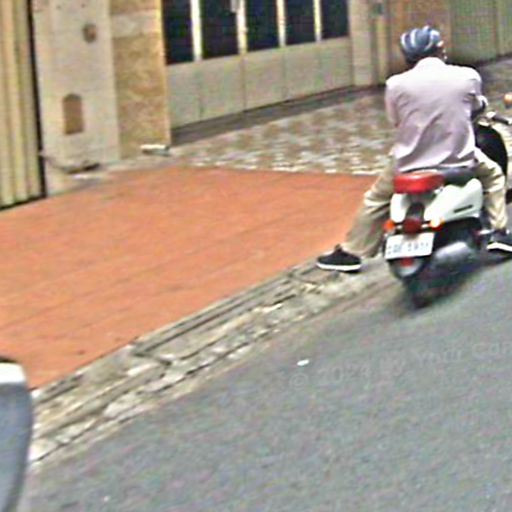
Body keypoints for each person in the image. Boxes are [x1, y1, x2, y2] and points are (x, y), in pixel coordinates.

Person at [317, 25, 512, 273]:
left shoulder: (395, 84)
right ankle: (499, 233)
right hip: (458, 158)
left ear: (408, 57)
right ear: (440, 50)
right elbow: (476, 107)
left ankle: (352, 251)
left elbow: (396, 119)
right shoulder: (467, 76)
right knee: (494, 176)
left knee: (376, 198)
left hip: (408, 162)